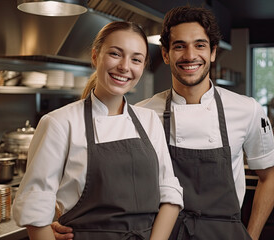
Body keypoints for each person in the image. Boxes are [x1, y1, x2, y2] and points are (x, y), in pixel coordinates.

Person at [52, 6, 274, 240]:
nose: (190, 55)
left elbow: (269, 176)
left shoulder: (247, 109)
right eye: (179, 46)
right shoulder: (141, 115)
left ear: (213, 52)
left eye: (200, 45)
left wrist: (251, 236)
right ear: (165, 54)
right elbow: (99, 178)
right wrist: (61, 220)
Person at [12, 21, 183, 240]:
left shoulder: (149, 121)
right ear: (95, 57)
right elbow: (34, 208)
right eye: (115, 53)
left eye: (136, 59)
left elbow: (170, 193)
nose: (124, 66)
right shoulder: (59, 123)